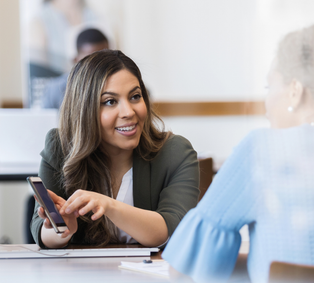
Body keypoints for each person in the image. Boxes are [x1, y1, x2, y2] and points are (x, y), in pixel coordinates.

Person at [162, 24, 314, 283]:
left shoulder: (262, 149)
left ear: (295, 90)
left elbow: (185, 268)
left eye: (269, 86)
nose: (267, 103)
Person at [30, 49, 200, 248]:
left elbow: (173, 230)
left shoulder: (175, 152)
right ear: (84, 109)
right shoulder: (60, 147)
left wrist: (109, 205)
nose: (128, 112)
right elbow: (39, 229)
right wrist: (62, 230)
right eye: (110, 102)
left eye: (135, 97)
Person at [42, 28, 109, 109]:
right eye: (91, 60)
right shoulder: (55, 90)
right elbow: (47, 120)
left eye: (105, 58)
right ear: (76, 60)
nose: (99, 65)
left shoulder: (117, 84)